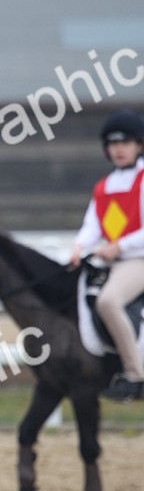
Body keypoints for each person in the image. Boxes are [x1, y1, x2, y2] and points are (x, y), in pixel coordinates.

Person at [69, 109, 144, 401]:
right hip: (116, 260)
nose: (118, 149)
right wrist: (78, 247)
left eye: (125, 143)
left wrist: (119, 246)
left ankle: (135, 375)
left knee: (109, 301)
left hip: (138, 259)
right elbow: (93, 225)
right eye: (113, 144)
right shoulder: (104, 186)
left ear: (138, 144)